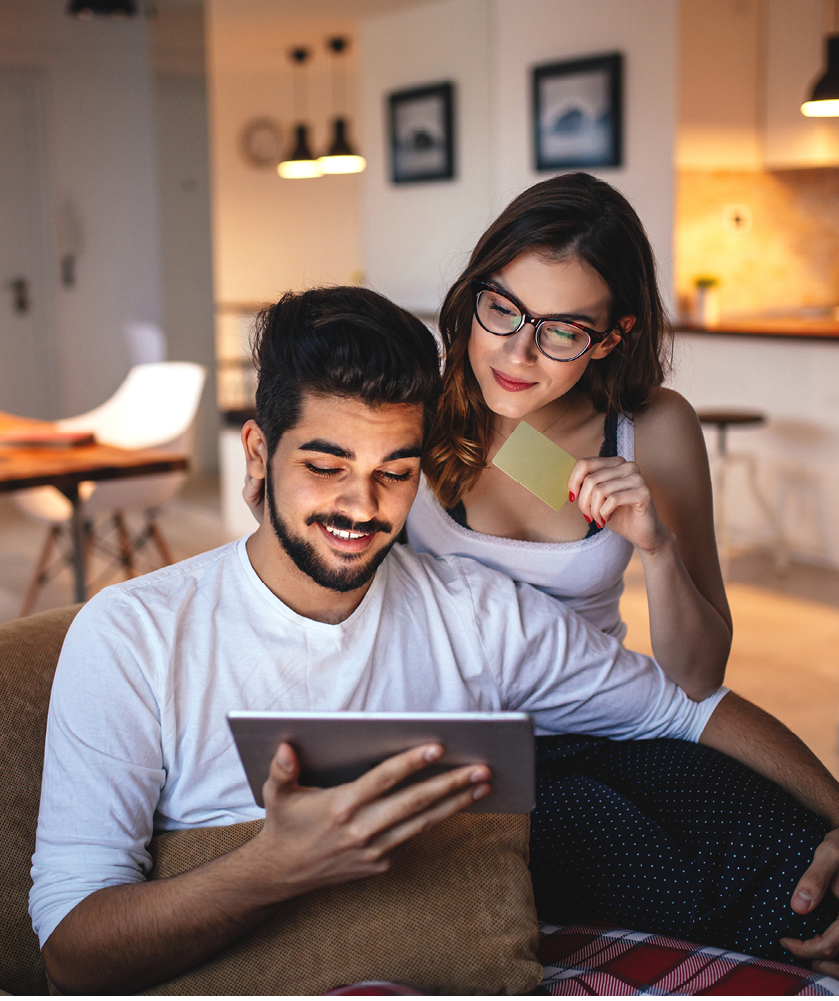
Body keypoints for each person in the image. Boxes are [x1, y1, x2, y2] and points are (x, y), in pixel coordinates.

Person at [31, 287, 839, 996]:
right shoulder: (133, 635)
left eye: (395, 470)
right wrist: (275, 863)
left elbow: (688, 708)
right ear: (257, 453)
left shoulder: (478, 611)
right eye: (326, 463)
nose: (361, 503)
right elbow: (72, 952)